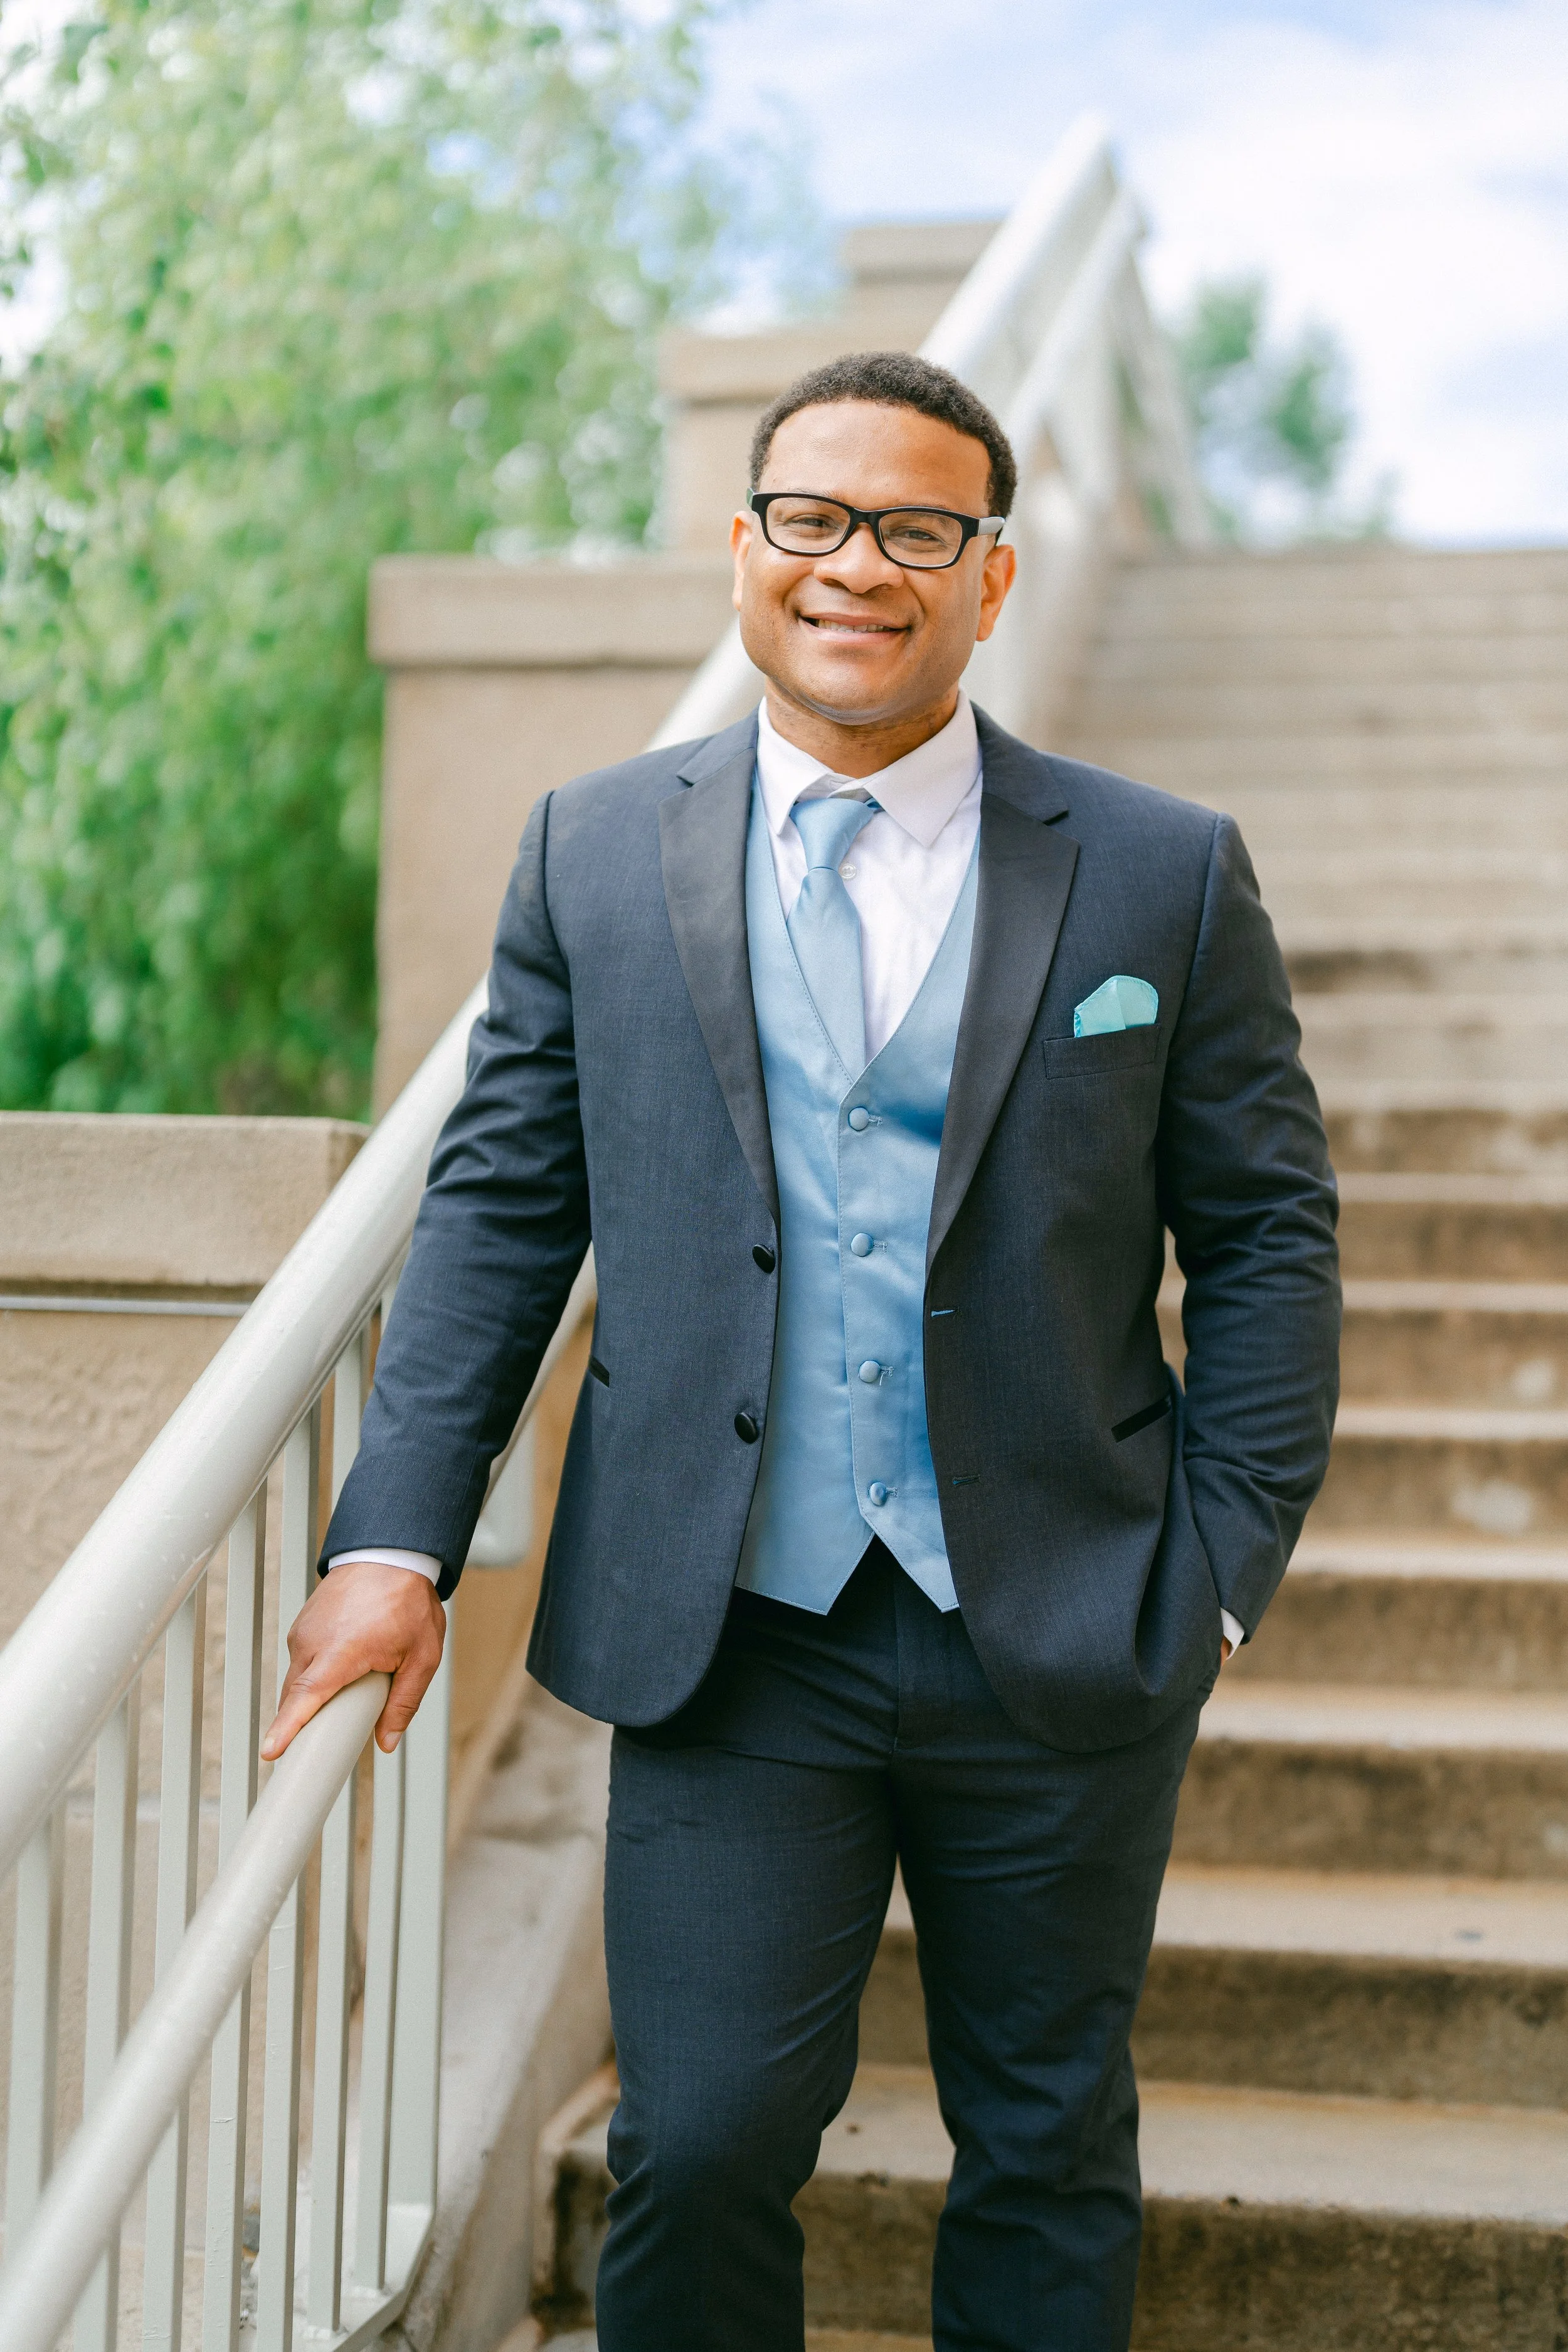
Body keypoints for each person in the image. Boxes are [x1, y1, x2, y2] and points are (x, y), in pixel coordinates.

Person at [263, 349, 1341, 2352]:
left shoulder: (1158, 866)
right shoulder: (592, 849)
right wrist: (393, 1539)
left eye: (918, 526)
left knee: (1040, 2139)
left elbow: (1268, 1228)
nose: (862, 563)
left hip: (1071, 1609)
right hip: (732, 1627)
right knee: (698, 2136)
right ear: (742, 547)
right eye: (817, 519)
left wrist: (1222, 1567)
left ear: (991, 576)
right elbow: (506, 1210)